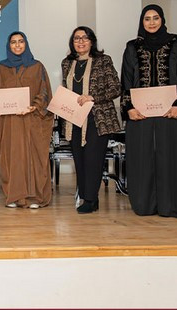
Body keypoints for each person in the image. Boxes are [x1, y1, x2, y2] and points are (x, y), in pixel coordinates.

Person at [121, 5, 177, 218]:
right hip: (141, 114)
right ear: (142, 22)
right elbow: (126, 80)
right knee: (142, 157)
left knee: (174, 156)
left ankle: (175, 204)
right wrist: (129, 108)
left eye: (156, 18)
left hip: (172, 112)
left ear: (162, 20)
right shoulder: (132, 47)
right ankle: (145, 204)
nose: (152, 22)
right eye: (147, 19)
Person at [60, 26, 120, 214]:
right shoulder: (67, 63)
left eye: (85, 38)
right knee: (79, 160)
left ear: (92, 41)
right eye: (76, 38)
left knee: (93, 159)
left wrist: (92, 97)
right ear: (72, 42)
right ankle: (89, 198)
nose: (80, 41)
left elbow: (116, 88)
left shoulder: (103, 61)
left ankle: (90, 199)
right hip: (74, 118)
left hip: (97, 118)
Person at [0, 31, 53, 209]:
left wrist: (34, 106)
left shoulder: (37, 66)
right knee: (12, 158)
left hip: (32, 120)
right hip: (10, 122)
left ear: (26, 44)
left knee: (35, 158)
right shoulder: (3, 67)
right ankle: (14, 196)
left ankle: (36, 198)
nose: (17, 45)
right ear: (9, 46)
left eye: (21, 41)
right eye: (13, 42)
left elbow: (44, 91)